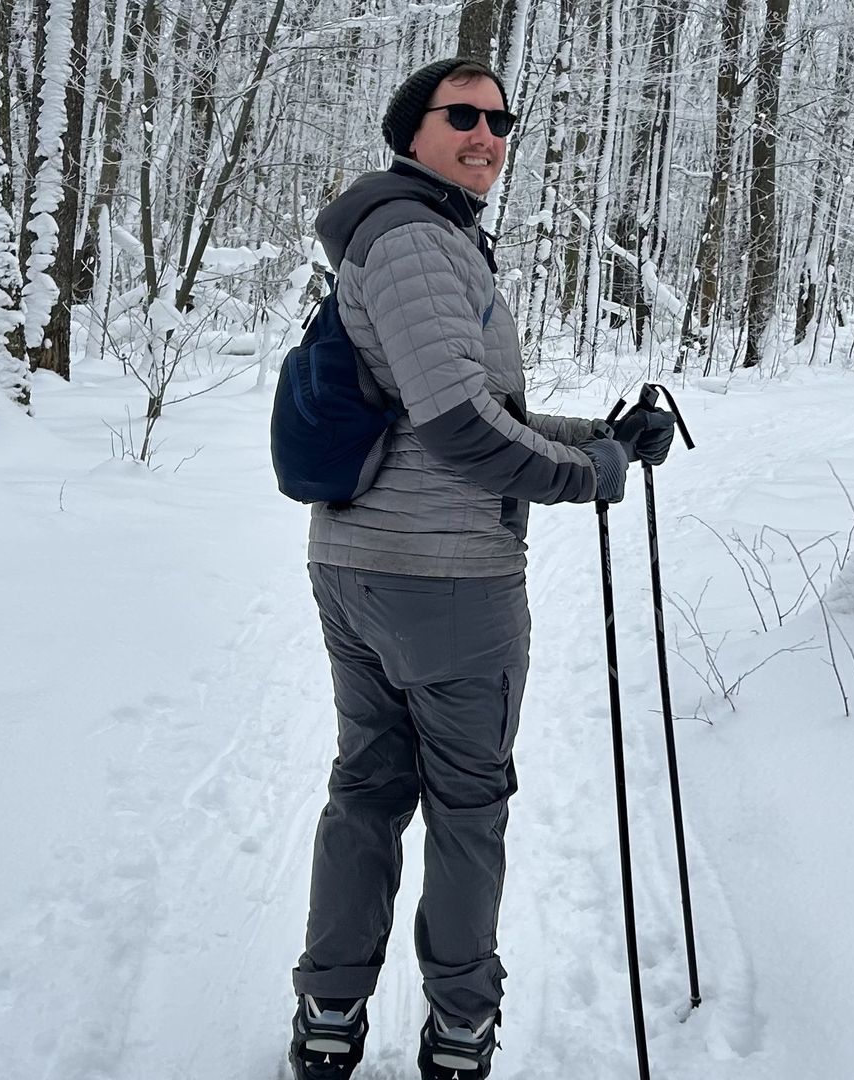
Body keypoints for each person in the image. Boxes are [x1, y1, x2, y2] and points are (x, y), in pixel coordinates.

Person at [287, 57, 675, 1080]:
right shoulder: (416, 237)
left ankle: (330, 1014)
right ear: (409, 130)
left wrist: (605, 438)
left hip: (361, 565)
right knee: (465, 806)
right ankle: (460, 1025)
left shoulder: (424, 232)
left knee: (367, 788)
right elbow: (460, 432)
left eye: (501, 120)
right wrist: (588, 476)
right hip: (446, 580)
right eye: (461, 116)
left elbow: (460, 409)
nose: (487, 135)